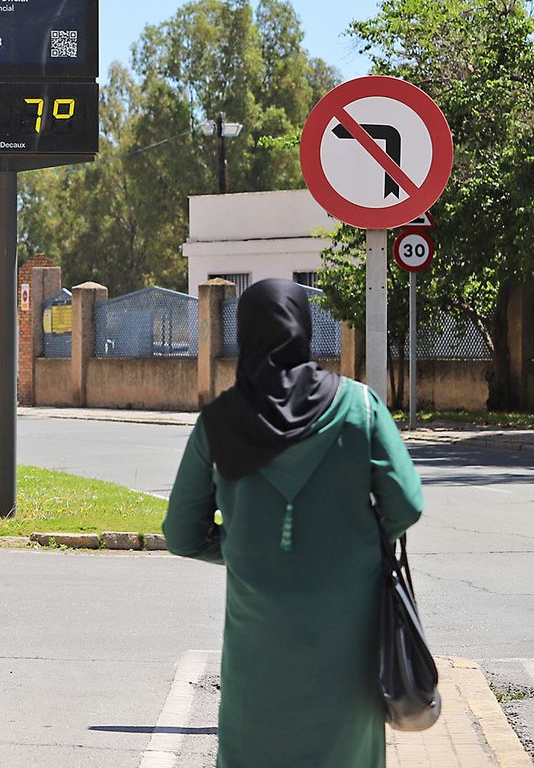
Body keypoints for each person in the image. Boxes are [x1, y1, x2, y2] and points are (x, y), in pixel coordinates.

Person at [163, 279, 424, 768]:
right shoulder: (359, 408)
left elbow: (180, 533)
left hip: (257, 637)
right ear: (304, 330)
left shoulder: (218, 424)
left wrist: (241, 544)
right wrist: (357, 542)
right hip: (349, 632)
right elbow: (406, 504)